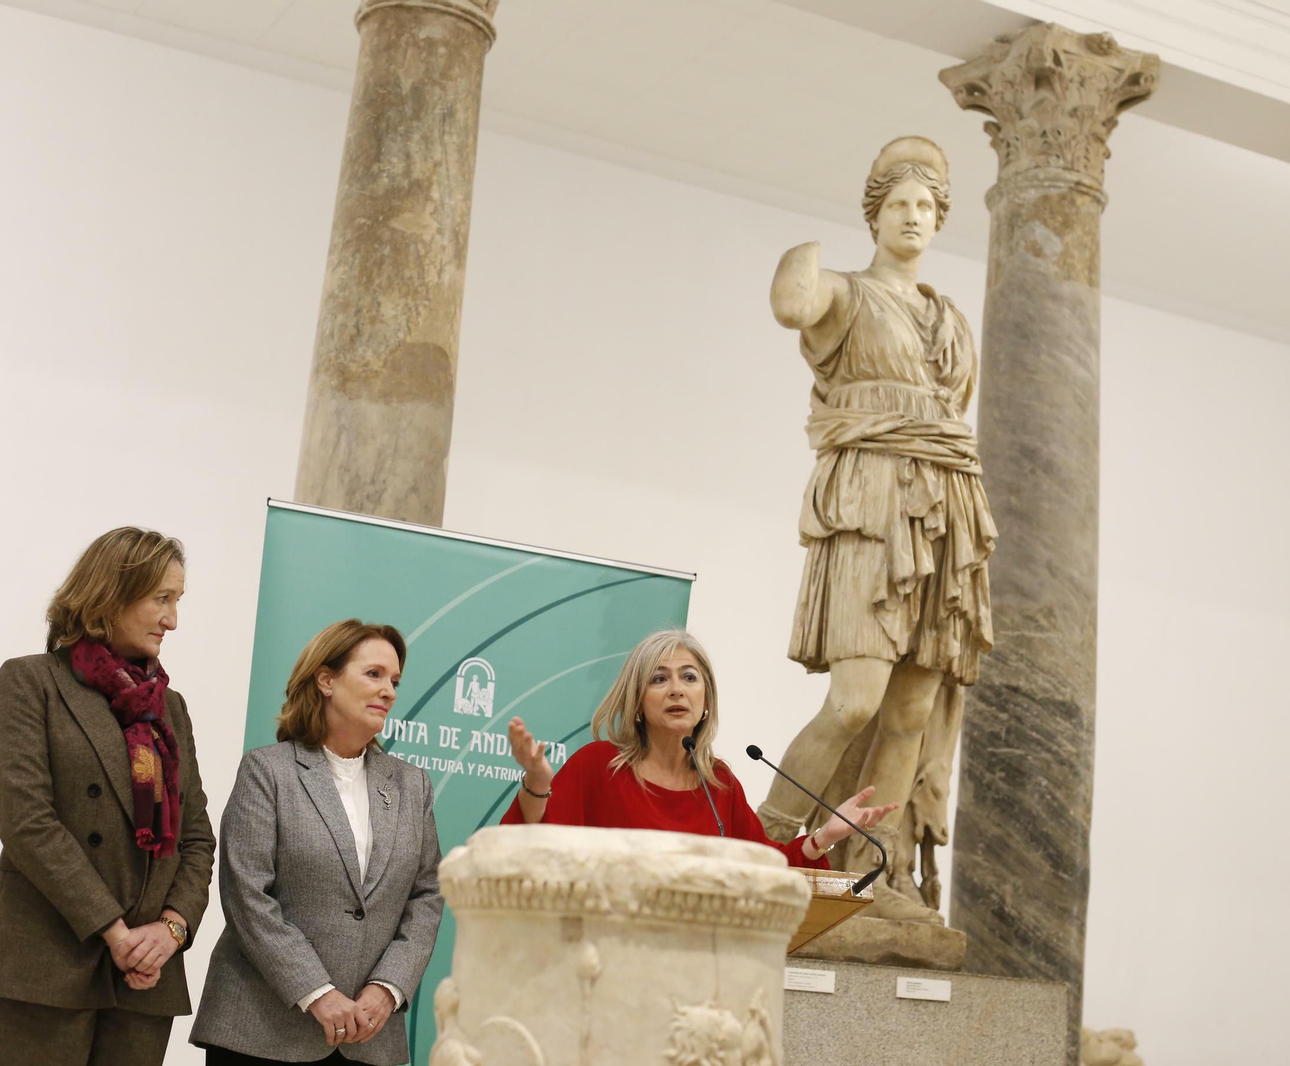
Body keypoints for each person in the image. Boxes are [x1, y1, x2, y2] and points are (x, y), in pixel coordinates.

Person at [758, 136, 997, 921]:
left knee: (910, 714)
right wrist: (805, 249)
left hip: (944, 509)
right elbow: (793, 303)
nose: (913, 217)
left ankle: (875, 876)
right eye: (898, 204)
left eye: (926, 206)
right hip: (869, 505)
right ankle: (768, 846)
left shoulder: (949, 316)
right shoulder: (846, 293)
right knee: (855, 701)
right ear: (875, 215)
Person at [0, 527, 215, 1066]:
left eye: (178, 601)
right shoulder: (32, 683)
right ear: (111, 593)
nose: (173, 620)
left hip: (144, 981)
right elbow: (28, 822)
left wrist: (171, 929)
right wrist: (114, 930)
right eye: (162, 599)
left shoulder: (171, 709)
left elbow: (196, 838)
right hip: (42, 968)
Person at [191, 620, 443, 1066]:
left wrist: (388, 988)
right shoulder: (268, 771)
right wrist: (316, 991)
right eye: (374, 674)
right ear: (326, 680)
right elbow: (246, 894)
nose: (389, 691)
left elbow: (426, 897)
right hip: (261, 1031)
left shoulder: (412, 785)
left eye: (395, 681)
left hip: (369, 1039)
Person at [502, 629, 895, 868]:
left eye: (689, 677)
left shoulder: (718, 784)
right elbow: (529, 843)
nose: (676, 688)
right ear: (637, 701)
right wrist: (537, 781)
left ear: (705, 699)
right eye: (659, 679)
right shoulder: (599, 766)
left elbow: (766, 867)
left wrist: (824, 835)